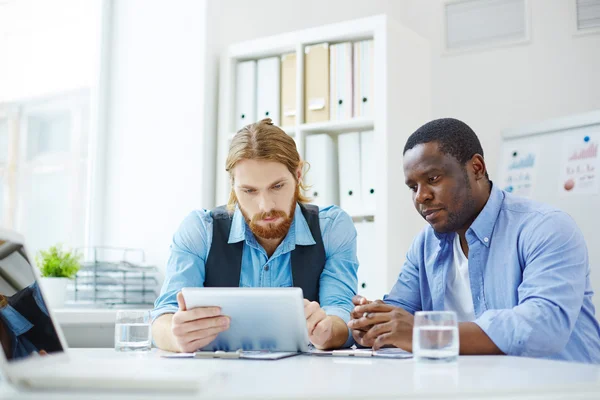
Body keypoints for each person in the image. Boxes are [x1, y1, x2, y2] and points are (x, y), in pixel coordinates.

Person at [348, 118, 600, 363]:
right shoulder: (425, 245)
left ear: (477, 168)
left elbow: (543, 327)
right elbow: (401, 312)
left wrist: (424, 333)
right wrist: (370, 321)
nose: (421, 196)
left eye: (433, 179)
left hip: (560, 388)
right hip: (472, 387)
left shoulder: (546, 227)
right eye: (413, 187)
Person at [152, 118, 358, 352]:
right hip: (219, 379)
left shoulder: (332, 228)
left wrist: (327, 331)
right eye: (249, 191)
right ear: (233, 186)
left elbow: (341, 313)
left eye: (277, 186)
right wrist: (175, 335)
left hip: (304, 381)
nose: (265, 205)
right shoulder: (200, 230)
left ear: (298, 175)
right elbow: (163, 316)